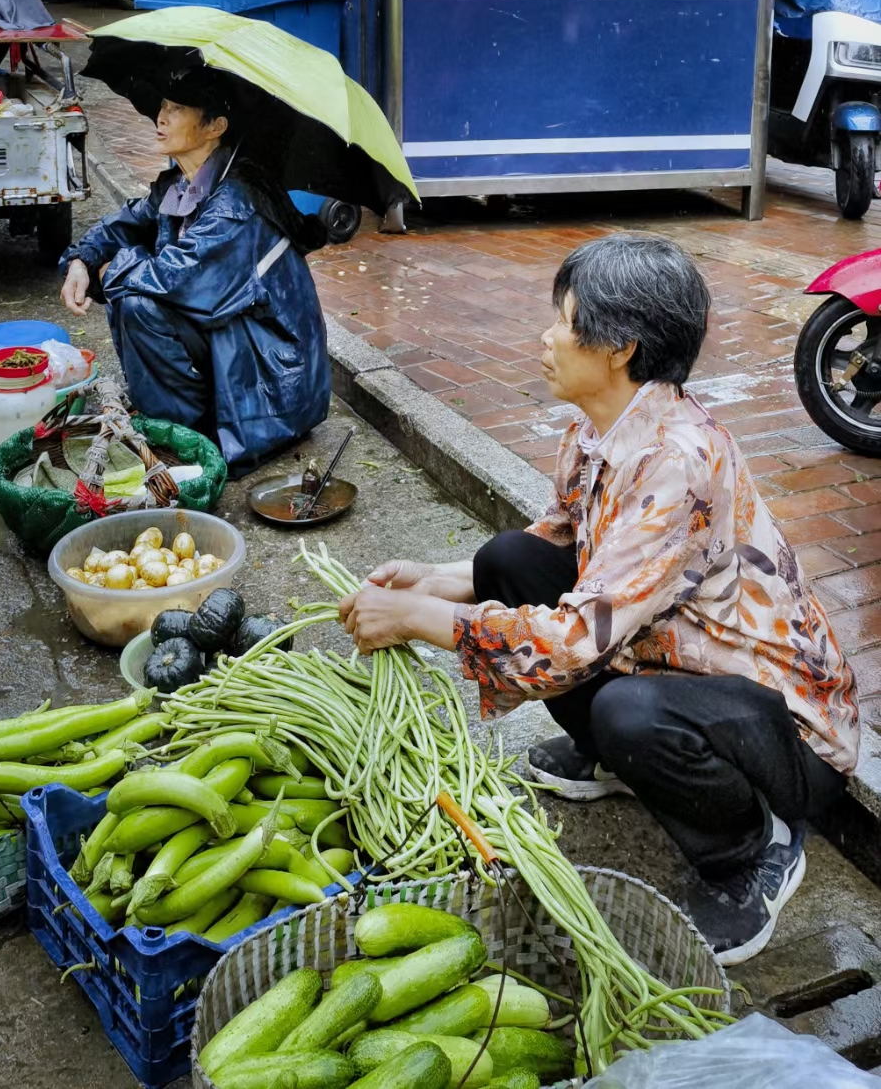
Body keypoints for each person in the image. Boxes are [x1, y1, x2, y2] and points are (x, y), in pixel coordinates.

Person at [338, 234, 859, 967]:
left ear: (620, 347)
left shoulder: (677, 461)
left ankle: (752, 848)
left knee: (628, 713)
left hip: (788, 732)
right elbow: (561, 537)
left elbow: (574, 642)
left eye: (564, 320)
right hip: (681, 665)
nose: (546, 337)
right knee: (507, 559)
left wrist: (419, 620)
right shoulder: (602, 424)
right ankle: (616, 761)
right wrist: (434, 580)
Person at [58, 68, 331, 475]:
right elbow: (127, 223)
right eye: (163, 106)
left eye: (177, 108)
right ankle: (175, 419)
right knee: (134, 293)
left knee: (139, 306)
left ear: (215, 127)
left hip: (273, 377)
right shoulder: (184, 183)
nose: (161, 117)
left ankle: (184, 440)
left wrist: (109, 271)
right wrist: (83, 259)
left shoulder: (236, 202)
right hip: (233, 335)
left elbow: (173, 280)